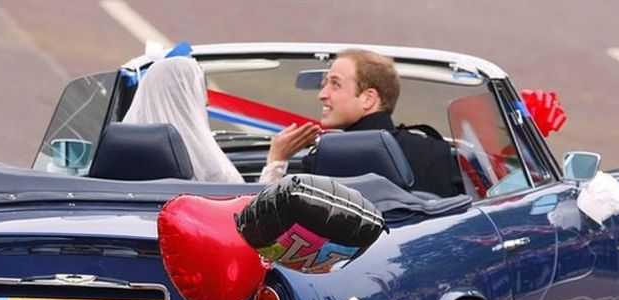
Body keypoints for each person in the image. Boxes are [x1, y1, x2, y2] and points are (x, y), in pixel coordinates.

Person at [270, 48, 457, 195]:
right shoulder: (436, 150)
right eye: (324, 84)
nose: (322, 95)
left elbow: (271, 225)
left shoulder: (326, 159)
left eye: (335, 84)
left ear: (368, 99)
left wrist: (276, 161)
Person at [122, 56, 316, 183]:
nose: (205, 108)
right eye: (202, 103)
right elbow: (255, 220)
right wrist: (276, 160)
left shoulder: (116, 164)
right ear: (191, 107)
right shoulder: (214, 173)